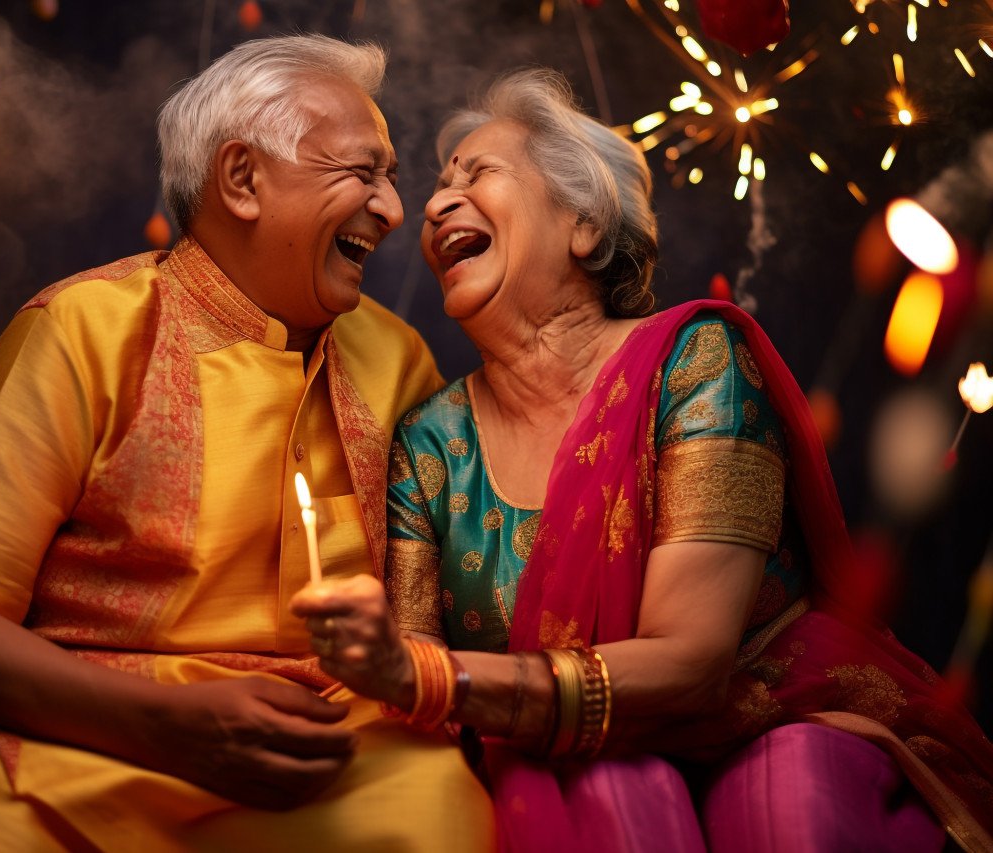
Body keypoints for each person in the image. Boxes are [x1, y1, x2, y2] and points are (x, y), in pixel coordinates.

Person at [291, 68, 993, 852]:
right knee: (606, 794)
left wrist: (430, 675)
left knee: (787, 805)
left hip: (767, 716)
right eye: (438, 188)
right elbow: (408, 669)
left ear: (583, 224)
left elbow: (691, 662)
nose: (430, 205)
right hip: (560, 749)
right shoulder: (429, 442)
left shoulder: (694, 362)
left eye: (477, 173)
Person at [0, 34, 497, 853]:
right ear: (242, 179)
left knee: (439, 816)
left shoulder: (398, 359)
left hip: (331, 750)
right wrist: (163, 723)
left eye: (390, 178)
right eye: (361, 172)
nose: (390, 209)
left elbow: (438, 617)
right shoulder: (82, 329)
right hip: (80, 741)